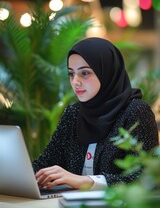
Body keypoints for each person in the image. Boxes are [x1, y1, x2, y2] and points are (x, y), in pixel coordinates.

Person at [32, 37, 159, 190]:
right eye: (71, 74)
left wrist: (87, 181)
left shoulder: (135, 112)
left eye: (84, 73)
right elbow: (46, 163)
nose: (75, 82)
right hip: (70, 207)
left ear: (106, 72)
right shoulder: (73, 114)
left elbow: (147, 177)